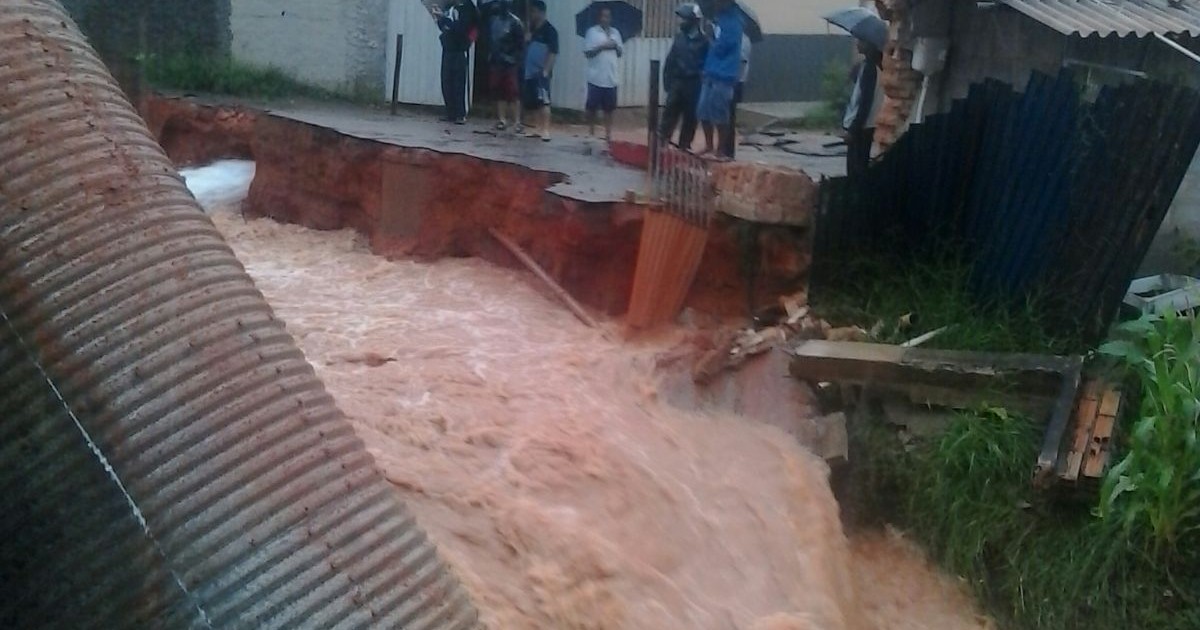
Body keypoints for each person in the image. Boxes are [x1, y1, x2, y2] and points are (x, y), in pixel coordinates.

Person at [696, 0, 743, 159]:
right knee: (703, 110)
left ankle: (720, 149)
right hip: (711, 71)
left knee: (720, 113)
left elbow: (723, 47)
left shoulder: (734, 22)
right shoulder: (719, 18)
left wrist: (710, 36)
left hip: (724, 74)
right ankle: (709, 145)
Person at [660, 3, 707, 150]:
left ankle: (684, 147)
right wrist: (667, 81)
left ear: (694, 21)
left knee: (690, 118)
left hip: (694, 84)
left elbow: (706, 64)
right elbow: (670, 60)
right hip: (677, 82)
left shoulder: (705, 41)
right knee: (669, 114)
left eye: (684, 19)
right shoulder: (679, 38)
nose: (680, 22)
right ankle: (662, 144)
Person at [842, 39, 883, 179]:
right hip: (863, 125)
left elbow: (865, 102)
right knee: (857, 167)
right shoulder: (867, 66)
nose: (857, 44)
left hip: (862, 126)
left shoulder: (870, 69)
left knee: (857, 169)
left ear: (869, 45)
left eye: (861, 41)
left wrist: (853, 129)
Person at [583, 6, 624, 143]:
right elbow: (587, 53)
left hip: (611, 78)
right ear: (599, 18)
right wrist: (602, 46)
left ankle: (608, 134)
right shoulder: (592, 32)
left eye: (608, 16)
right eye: (603, 16)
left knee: (609, 109)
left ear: (611, 19)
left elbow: (620, 53)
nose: (605, 19)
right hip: (595, 77)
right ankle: (591, 132)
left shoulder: (616, 33)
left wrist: (615, 46)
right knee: (591, 108)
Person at [434, 0, 479, 124]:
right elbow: (444, 27)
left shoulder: (467, 8)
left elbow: (460, 28)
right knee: (446, 82)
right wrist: (440, 19)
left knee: (458, 83)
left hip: (459, 49)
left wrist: (446, 21)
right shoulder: (449, 7)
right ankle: (450, 112)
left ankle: (460, 114)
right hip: (447, 48)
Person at [520, 0, 558, 141]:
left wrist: (546, 70)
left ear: (542, 12)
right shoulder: (532, 29)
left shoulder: (550, 30)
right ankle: (537, 128)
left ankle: (546, 129)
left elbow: (553, 52)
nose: (532, 14)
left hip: (541, 72)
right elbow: (526, 49)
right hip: (529, 71)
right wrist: (527, 39)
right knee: (534, 102)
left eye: (534, 11)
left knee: (544, 101)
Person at [487, 0, 524, 131]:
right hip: (496, 61)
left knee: (513, 92)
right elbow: (491, 39)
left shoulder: (515, 22)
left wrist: (514, 59)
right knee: (499, 91)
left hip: (510, 62)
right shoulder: (493, 20)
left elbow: (520, 45)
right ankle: (502, 119)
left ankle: (517, 121)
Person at [720, 33, 751, 158]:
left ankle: (727, 151)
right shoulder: (732, 37)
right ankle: (725, 149)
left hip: (735, 82)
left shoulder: (743, 39)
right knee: (725, 116)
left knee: (729, 117)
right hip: (729, 80)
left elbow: (741, 60)